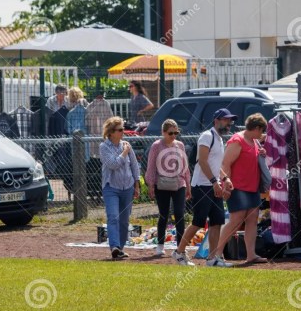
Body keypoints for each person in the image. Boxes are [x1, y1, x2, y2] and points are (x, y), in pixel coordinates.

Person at [172, 108, 237, 267]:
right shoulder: (207, 136)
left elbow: (215, 164)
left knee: (216, 222)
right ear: (216, 120)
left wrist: (225, 178)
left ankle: (212, 258)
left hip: (213, 185)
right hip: (202, 186)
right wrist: (215, 182)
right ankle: (179, 253)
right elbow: (202, 160)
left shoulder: (219, 139)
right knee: (198, 222)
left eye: (230, 121)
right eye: (226, 120)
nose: (229, 123)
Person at [214, 113, 269, 265]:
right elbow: (224, 164)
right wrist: (226, 183)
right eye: (261, 130)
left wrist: (262, 151)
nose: (262, 133)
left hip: (252, 187)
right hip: (237, 188)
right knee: (236, 221)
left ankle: (251, 255)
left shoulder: (254, 140)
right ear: (256, 128)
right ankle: (216, 254)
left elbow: (262, 140)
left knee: (252, 220)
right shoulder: (237, 140)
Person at [145, 119, 191, 256]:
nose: (173, 136)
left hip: (179, 183)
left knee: (179, 213)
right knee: (164, 215)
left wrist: (188, 185)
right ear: (163, 132)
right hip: (162, 184)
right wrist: (151, 184)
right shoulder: (156, 146)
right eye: (170, 133)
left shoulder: (180, 145)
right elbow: (151, 167)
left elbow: (185, 167)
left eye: (176, 133)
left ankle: (180, 246)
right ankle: (160, 245)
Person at [100, 116, 141, 260]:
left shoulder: (126, 145)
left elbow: (135, 166)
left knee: (124, 221)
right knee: (113, 217)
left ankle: (120, 249)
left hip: (128, 187)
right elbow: (113, 164)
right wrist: (124, 152)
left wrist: (137, 184)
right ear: (111, 132)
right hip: (111, 188)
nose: (123, 132)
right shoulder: (104, 147)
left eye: (123, 129)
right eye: (120, 130)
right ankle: (114, 247)